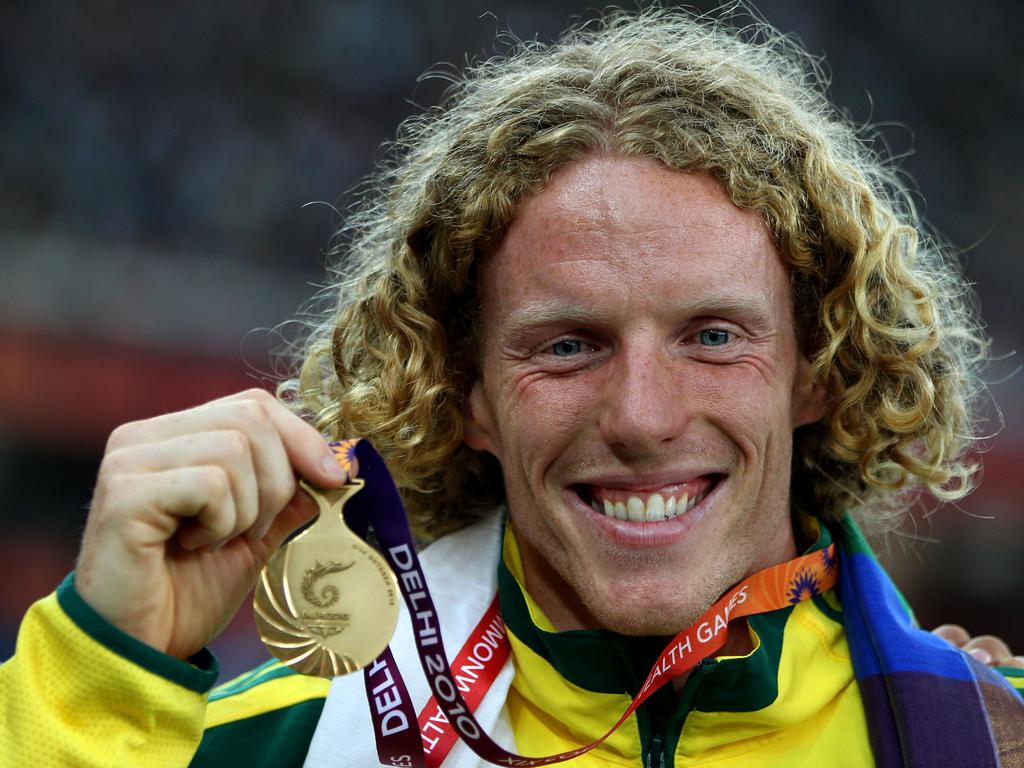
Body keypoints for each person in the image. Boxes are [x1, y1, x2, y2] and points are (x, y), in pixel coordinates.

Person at [1, 8, 1022, 768]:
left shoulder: (990, 736)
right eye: (567, 347)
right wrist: (101, 681)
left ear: (816, 368)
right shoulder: (270, 747)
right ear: (468, 393)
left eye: (711, 336)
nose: (640, 416)